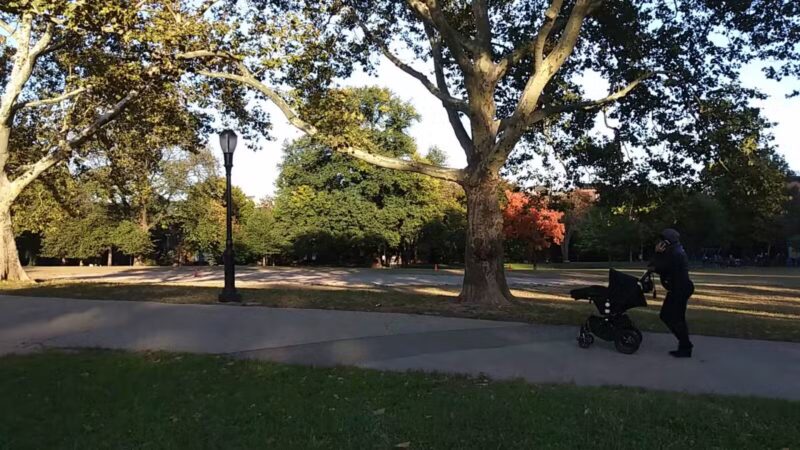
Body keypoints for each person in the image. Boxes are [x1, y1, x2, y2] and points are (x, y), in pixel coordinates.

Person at [648, 228, 695, 358]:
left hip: (679, 290)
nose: (660, 242)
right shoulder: (675, 251)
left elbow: (654, 267)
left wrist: (657, 253)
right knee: (674, 318)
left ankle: (685, 346)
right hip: (680, 288)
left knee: (670, 317)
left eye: (662, 240)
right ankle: (685, 345)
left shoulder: (674, 254)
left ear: (667, 242)